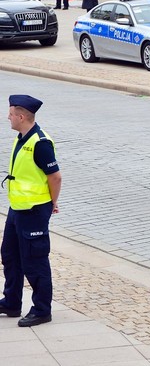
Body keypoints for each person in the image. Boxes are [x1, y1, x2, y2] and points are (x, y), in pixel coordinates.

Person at [0, 95, 61, 328]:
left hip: (34, 210)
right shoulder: (22, 138)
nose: (8, 117)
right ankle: (12, 301)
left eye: (11, 113)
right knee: (11, 257)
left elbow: (55, 177)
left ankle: (42, 310)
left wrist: (51, 202)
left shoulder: (40, 143)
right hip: (17, 209)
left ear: (21, 116)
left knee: (35, 262)